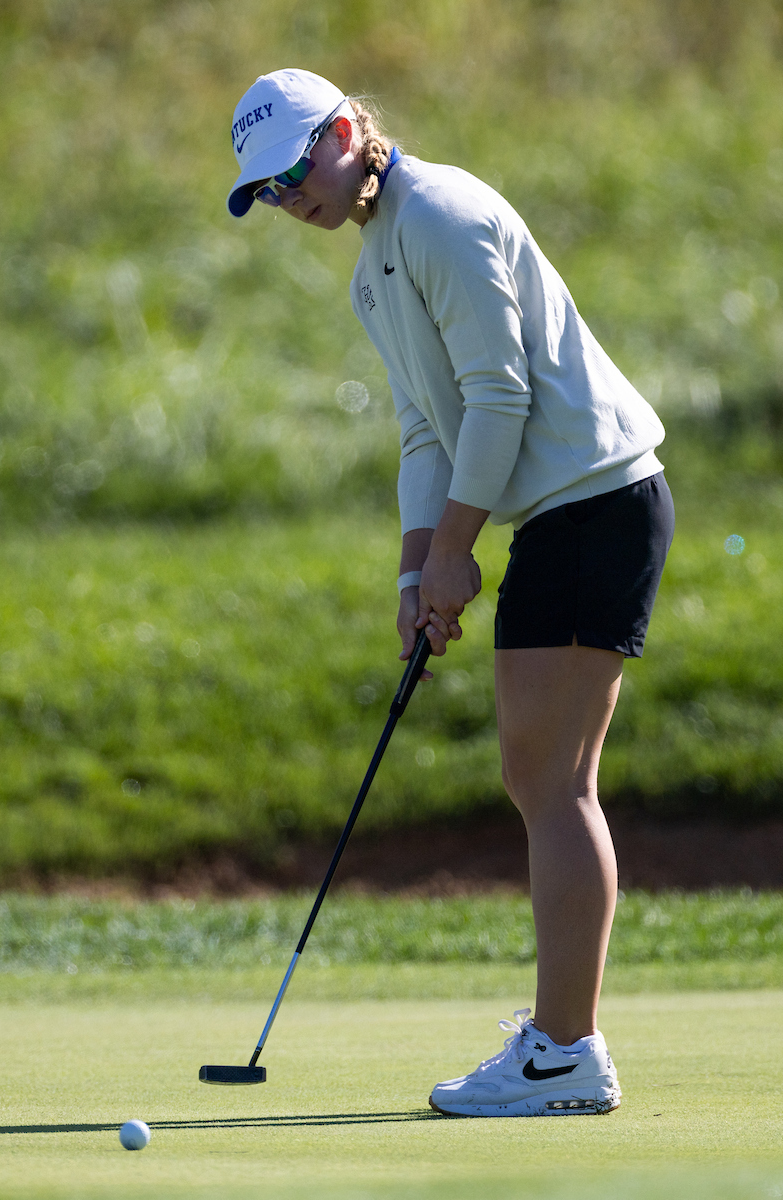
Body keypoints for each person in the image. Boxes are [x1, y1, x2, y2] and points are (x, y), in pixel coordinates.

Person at [226, 68, 674, 1118]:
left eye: (294, 170)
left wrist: (456, 553)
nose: (289, 198)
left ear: (346, 131)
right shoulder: (373, 268)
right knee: (543, 779)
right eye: (268, 191)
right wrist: (416, 566)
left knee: (552, 783)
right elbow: (426, 429)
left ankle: (564, 1051)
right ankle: (562, 1044)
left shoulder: (439, 213)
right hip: (566, 516)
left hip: (595, 504)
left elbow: (498, 395)